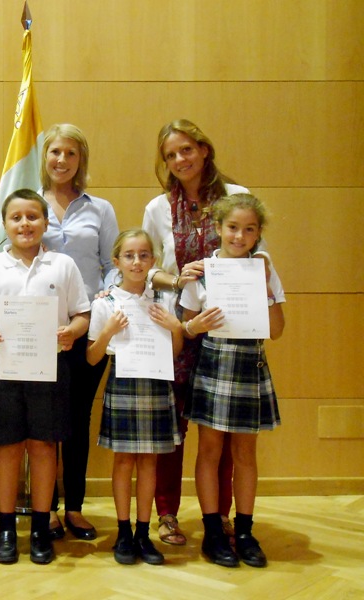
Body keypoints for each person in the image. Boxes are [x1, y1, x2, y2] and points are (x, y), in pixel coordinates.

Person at [0, 189, 91, 565]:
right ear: (5, 224)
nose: (25, 224)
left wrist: (72, 331)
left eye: (32, 217)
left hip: (50, 370)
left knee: (42, 448)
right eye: (16, 217)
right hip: (3, 369)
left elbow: (82, 314)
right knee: (7, 449)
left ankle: (39, 527)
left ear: (45, 222)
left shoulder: (63, 265)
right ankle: (6, 528)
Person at [142, 119, 250, 546]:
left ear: (204, 150)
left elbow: (257, 257)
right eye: (171, 154)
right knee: (172, 425)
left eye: (186, 149)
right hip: (176, 329)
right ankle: (166, 513)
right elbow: (143, 267)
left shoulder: (239, 198)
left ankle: (217, 513)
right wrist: (176, 278)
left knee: (218, 427)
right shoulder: (157, 208)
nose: (180, 160)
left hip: (228, 329)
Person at [180, 193, 285, 568]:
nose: (239, 236)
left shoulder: (265, 271)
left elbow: (276, 331)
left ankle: (243, 531)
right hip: (214, 365)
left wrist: (268, 292)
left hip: (249, 368)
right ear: (219, 228)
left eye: (249, 229)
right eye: (233, 228)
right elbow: (185, 329)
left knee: (245, 455)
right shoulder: (203, 271)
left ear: (258, 234)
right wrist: (196, 325)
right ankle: (212, 530)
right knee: (209, 451)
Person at [39, 124, 119, 539]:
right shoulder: (30, 203)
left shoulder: (100, 209)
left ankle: (74, 507)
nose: (62, 160)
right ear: (45, 157)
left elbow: (113, 263)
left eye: (70, 153)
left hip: (88, 329)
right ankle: (45, 508)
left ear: (80, 160)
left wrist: (106, 298)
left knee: (77, 419)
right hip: (42, 330)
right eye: (55, 151)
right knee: (45, 421)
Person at [86, 230, 183, 565]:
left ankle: (144, 532)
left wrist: (176, 328)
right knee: (124, 461)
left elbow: (175, 351)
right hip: (123, 383)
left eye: (144, 255)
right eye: (129, 255)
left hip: (156, 385)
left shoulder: (163, 301)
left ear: (152, 261)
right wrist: (109, 331)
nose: (137, 261)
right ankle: (124, 531)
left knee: (149, 461)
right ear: (117, 262)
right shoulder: (104, 303)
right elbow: (92, 357)